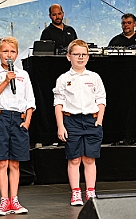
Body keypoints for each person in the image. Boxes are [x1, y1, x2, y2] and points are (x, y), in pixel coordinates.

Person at [0, 36, 36, 216]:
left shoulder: (23, 75)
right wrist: (6, 80)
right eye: (5, 51)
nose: (9, 55)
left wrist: (27, 121)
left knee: (15, 163)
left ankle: (14, 200)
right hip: (1, 117)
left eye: (12, 51)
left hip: (19, 119)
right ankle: (3, 201)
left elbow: (30, 101)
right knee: (2, 162)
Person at [53, 39, 106, 206]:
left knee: (89, 159)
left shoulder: (94, 77)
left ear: (88, 57)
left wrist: (99, 120)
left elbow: (101, 99)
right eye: (76, 54)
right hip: (72, 121)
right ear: (69, 57)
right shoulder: (63, 78)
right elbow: (58, 103)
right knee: (74, 159)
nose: (80, 58)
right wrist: (61, 125)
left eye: (84, 54)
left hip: (91, 120)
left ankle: (90, 191)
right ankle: (76, 192)